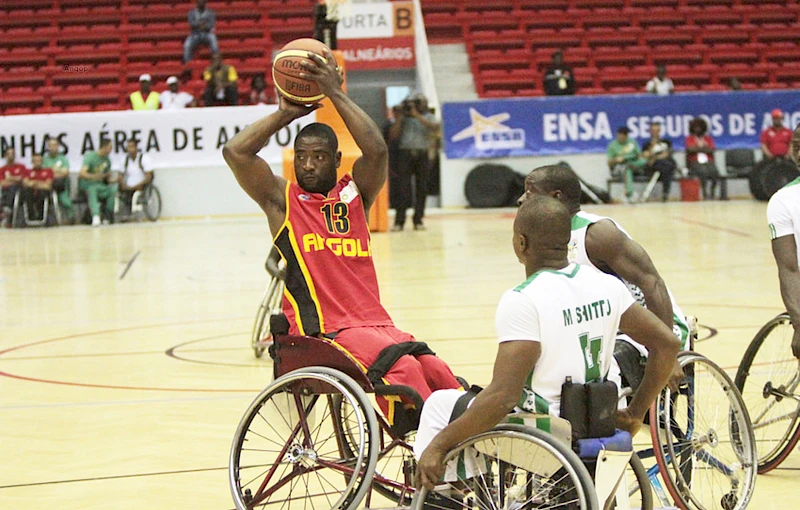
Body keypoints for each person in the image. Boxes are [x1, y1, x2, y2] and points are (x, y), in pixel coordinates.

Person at [222, 48, 461, 424]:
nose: (308, 164)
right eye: (301, 156)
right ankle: (434, 457)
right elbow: (235, 152)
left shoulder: (355, 195)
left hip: (375, 322)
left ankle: (469, 453)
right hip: (325, 329)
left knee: (436, 370)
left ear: (336, 161)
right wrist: (286, 112)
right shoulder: (283, 201)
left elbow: (378, 150)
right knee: (408, 377)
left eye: (318, 157)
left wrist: (334, 92)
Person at [415, 196, 680, 490]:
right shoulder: (606, 285)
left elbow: (503, 398)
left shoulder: (524, 299)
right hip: (599, 420)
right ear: (567, 241)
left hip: (548, 433)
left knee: (441, 405)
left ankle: (448, 498)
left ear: (521, 243)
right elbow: (668, 344)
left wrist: (438, 446)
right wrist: (635, 413)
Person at [519, 165, 690, 385]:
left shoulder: (596, 234)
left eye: (530, 192)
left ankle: (628, 416)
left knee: (595, 370)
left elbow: (652, 282)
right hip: (604, 326)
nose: (521, 199)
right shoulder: (544, 237)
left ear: (556, 197)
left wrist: (667, 354)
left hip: (651, 326)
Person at [767, 124, 800, 359]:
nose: (799, 154)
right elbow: (788, 268)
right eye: (796, 147)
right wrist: (799, 323)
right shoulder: (783, 201)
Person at [388, 94, 439, 231]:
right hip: (405, 154)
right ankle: (399, 221)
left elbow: (434, 128)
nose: (417, 105)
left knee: (421, 188)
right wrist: (399, 118)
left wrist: (417, 115)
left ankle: (418, 220)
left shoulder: (428, 116)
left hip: (422, 154)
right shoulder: (403, 119)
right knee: (403, 188)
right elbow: (393, 135)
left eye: (419, 102)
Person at [78, 139, 117, 227]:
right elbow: (82, 174)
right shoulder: (90, 156)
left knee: (112, 191)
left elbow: (106, 178)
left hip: (100, 185)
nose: (111, 150)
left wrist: (115, 180)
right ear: (104, 147)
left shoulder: (107, 161)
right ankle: (96, 216)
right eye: (110, 147)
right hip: (87, 184)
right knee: (92, 190)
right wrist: (96, 176)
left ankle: (108, 215)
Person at [685, 117, 721, 200]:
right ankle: (705, 192)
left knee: (714, 172)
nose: (698, 129)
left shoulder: (708, 138)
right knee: (703, 172)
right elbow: (690, 149)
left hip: (708, 161)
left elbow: (711, 149)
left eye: (700, 127)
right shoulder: (689, 138)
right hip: (695, 162)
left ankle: (712, 192)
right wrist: (703, 148)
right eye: (696, 127)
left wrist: (697, 148)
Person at [607, 126, 645, 203]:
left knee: (644, 160)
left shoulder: (632, 142)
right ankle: (629, 194)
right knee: (627, 169)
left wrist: (629, 157)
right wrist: (616, 159)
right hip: (619, 167)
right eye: (620, 135)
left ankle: (637, 168)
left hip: (633, 163)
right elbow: (609, 162)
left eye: (624, 135)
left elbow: (640, 156)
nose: (622, 137)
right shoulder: (612, 145)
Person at [641, 121, 678, 202]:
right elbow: (646, 155)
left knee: (667, 166)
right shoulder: (646, 144)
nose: (655, 132)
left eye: (657, 130)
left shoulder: (666, 142)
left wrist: (658, 156)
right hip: (654, 166)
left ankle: (665, 193)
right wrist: (653, 146)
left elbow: (668, 153)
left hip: (666, 164)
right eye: (653, 130)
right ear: (650, 131)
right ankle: (665, 193)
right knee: (665, 165)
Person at [118, 139, 155, 218]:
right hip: (128, 185)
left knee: (134, 192)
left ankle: (132, 211)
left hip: (141, 184)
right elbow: (120, 175)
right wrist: (122, 184)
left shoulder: (144, 158)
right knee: (121, 191)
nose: (129, 149)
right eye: (128, 147)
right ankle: (124, 213)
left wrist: (139, 185)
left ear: (136, 147)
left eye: (131, 146)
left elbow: (149, 176)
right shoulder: (124, 159)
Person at [42, 138, 74, 223]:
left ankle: (71, 218)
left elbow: (65, 172)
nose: (53, 147)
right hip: (48, 185)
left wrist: (52, 171)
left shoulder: (63, 158)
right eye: (51, 145)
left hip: (61, 184)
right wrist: (57, 172)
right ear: (48, 147)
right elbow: (44, 174)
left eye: (55, 145)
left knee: (66, 201)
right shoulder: (45, 160)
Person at [183, 0, 219, 64]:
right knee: (187, 45)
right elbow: (191, 23)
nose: (201, 4)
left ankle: (216, 62)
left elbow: (211, 24)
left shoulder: (210, 13)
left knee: (214, 43)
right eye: (199, 2)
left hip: (207, 33)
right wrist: (200, 24)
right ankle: (188, 63)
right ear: (196, 3)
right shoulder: (191, 13)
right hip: (195, 34)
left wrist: (203, 26)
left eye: (203, 2)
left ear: (205, 3)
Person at [20, 153, 53, 222]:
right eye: (35, 161)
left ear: (42, 161)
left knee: (42, 192)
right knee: (26, 192)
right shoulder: (27, 171)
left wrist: (34, 183)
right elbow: (25, 183)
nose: (37, 163)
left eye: (39, 161)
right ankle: (30, 216)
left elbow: (48, 185)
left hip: (43, 194)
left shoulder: (48, 171)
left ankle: (41, 216)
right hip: (31, 193)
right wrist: (40, 183)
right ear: (32, 162)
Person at [0, 148, 27, 224]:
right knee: (8, 189)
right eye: (9, 154)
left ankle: (7, 208)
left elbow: (24, 180)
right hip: (5, 191)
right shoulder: (2, 169)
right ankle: (6, 209)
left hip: (19, 191)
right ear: (5, 156)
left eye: (12, 154)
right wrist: (16, 179)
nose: (11, 156)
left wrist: (10, 178)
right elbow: (2, 183)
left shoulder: (21, 167)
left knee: (13, 188)